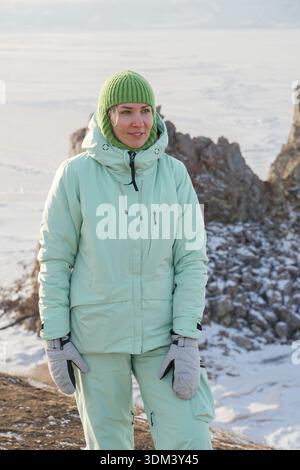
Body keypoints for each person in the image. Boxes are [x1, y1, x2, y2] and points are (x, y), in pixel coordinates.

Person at [38, 70, 215, 450]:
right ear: (107, 116)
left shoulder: (175, 174)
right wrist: (55, 337)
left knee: (189, 441)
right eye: (126, 111)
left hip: (162, 337)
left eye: (146, 110)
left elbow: (191, 260)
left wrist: (186, 336)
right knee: (110, 447)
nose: (138, 121)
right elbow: (55, 260)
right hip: (96, 338)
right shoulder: (75, 175)